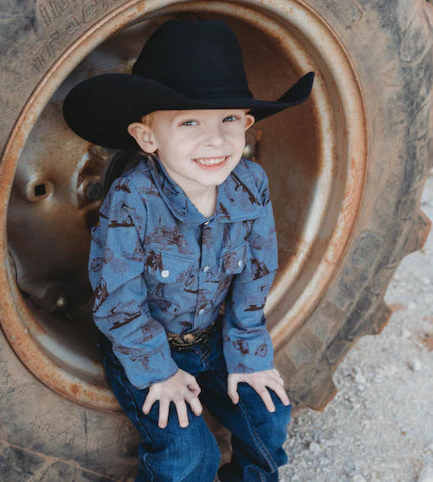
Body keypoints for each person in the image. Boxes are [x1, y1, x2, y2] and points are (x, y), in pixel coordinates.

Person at [63, 18, 314, 482]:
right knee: (188, 451)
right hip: (141, 344)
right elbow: (117, 298)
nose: (215, 139)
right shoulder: (131, 200)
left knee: (270, 416)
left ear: (248, 125)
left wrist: (249, 355)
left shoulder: (251, 184)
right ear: (147, 137)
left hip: (213, 339)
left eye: (229, 120)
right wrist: (158, 372)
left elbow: (255, 276)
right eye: (190, 122)